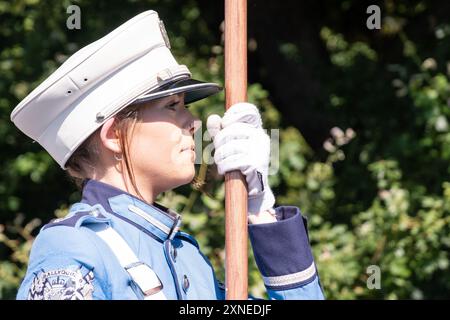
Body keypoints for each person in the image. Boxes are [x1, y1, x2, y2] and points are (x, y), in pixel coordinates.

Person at [11, 10, 324, 300]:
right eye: (172, 106)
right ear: (114, 135)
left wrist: (260, 211)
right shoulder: (74, 248)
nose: (193, 122)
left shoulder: (187, 255)